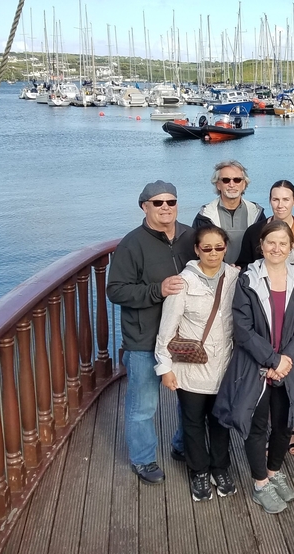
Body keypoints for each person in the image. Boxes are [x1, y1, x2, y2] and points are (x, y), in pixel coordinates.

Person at [212, 220, 294, 515]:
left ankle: (273, 472)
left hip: (289, 366)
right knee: (257, 428)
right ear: (261, 245)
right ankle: (259, 484)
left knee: (284, 425)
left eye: (283, 243)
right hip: (257, 366)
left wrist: (285, 360)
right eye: (271, 242)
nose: (277, 248)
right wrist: (272, 360)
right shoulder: (248, 279)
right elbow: (242, 329)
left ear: (291, 246)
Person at [106, 181, 196, 484]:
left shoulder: (190, 237)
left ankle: (183, 446)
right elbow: (116, 290)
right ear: (144, 206)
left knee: (190, 400)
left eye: (171, 201)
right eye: (158, 203)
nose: (165, 207)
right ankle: (143, 459)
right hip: (144, 338)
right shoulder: (132, 244)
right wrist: (157, 290)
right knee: (143, 405)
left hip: (183, 337)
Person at [155, 224, 239, 501]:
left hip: (224, 365)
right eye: (207, 248)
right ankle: (199, 471)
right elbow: (167, 330)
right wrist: (164, 369)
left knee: (220, 421)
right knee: (192, 421)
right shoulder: (183, 282)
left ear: (226, 248)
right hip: (191, 367)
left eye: (219, 247)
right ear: (196, 249)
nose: (213, 253)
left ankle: (220, 467)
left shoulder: (235, 277)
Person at [193, 160, 266, 265]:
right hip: (216, 275)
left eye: (237, 180)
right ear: (218, 184)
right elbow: (196, 252)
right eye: (226, 180)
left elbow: (264, 249)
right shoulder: (204, 216)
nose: (232, 184)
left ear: (244, 184)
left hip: (250, 275)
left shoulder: (257, 213)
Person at [237, 180, 294, 269]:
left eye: (286, 199)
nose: (280, 205)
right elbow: (243, 265)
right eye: (275, 200)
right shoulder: (254, 232)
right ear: (270, 201)